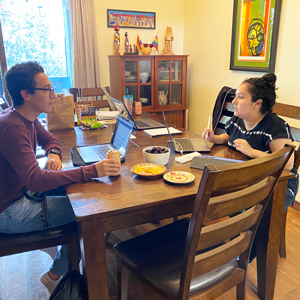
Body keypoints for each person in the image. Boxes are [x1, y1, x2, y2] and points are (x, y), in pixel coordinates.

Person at [0, 61, 120, 294]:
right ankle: (59, 275)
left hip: (21, 194)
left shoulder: (26, 117)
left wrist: (53, 154)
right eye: (47, 89)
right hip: (8, 211)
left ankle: (65, 267)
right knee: (93, 211)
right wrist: (93, 170)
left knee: (88, 195)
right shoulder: (13, 128)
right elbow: (35, 179)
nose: (54, 94)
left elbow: (50, 141)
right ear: (26, 94)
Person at [202, 73, 299, 213]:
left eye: (240, 97)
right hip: (249, 175)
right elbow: (228, 136)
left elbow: (288, 164)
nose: (234, 101)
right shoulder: (239, 118)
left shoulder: (274, 126)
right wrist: (214, 138)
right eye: (235, 96)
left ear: (257, 103)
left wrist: (252, 151)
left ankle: (240, 232)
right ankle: (235, 232)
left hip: (277, 184)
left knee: (224, 202)